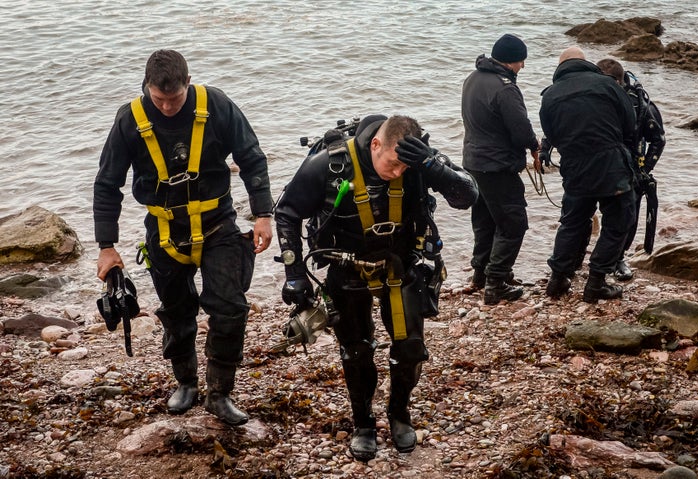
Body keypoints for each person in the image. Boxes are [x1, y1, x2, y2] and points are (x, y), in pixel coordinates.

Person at [274, 115, 478, 461]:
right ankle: (363, 423)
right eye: (392, 164)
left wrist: (428, 165)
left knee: (411, 348)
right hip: (345, 266)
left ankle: (399, 414)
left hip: (401, 265)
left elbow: (467, 195)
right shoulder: (330, 164)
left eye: (404, 166)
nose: (397, 172)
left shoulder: (417, 161)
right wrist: (295, 273)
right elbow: (287, 213)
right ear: (375, 145)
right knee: (357, 351)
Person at [93, 49, 274, 425]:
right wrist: (106, 246)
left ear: (187, 84)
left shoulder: (217, 106)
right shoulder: (130, 119)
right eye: (158, 99)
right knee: (176, 311)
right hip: (164, 228)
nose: (167, 106)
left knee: (230, 308)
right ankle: (186, 383)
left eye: (173, 99)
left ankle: (220, 392)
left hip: (218, 223)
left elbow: (253, 159)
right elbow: (107, 185)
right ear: (146, 88)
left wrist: (263, 215)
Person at [539, 46, 637, 303]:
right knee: (618, 221)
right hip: (610, 164)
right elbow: (630, 124)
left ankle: (558, 279)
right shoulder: (608, 85)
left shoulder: (549, 96)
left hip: (575, 167)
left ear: (560, 68)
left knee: (572, 221)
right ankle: (596, 282)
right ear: (586, 63)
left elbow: (551, 135)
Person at [461, 33, 541, 305]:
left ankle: (480, 274)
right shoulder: (505, 88)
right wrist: (534, 146)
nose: (523, 67)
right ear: (510, 61)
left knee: (484, 220)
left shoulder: (472, 79)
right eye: (521, 61)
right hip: (497, 165)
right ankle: (496, 282)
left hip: (474, 162)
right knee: (513, 223)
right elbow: (520, 129)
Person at [596, 58, 666, 281]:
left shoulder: (640, 103)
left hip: (631, 168)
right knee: (580, 214)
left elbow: (658, 139)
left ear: (619, 81)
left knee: (627, 217)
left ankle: (618, 258)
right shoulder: (593, 97)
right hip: (595, 166)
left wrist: (644, 168)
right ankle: (574, 260)